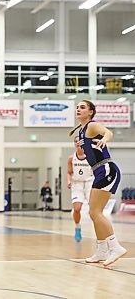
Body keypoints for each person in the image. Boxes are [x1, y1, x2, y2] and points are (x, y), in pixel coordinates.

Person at [69, 100, 127, 267]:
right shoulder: (80, 131)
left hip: (107, 169)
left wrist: (105, 139)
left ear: (91, 112)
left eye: (82, 107)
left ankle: (115, 247)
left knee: (96, 212)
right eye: (77, 107)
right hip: (99, 171)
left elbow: (108, 133)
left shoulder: (92, 126)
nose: (78, 109)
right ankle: (101, 250)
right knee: (94, 213)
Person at [67, 135, 94, 242]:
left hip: (89, 183)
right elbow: (69, 173)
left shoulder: (91, 156)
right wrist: (68, 181)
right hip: (77, 184)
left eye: (79, 140)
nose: (78, 142)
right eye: (76, 141)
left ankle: (98, 231)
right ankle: (77, 227)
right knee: (77, 209)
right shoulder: (71, 158)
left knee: (93, 210)